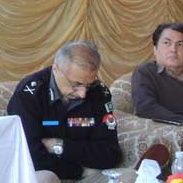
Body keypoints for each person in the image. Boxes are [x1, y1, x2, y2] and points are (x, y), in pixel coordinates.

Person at [7, 41, 123, 183]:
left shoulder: (99, 93)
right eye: (76, 84)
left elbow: (110, 153)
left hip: (87, 172)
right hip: (46, 172)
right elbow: (30, 155)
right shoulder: (29, 94)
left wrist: (59, 145)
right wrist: (76, 170)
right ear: (56, 69)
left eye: (89, 84)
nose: (83, 94)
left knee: (131, 177)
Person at [131, 22, 183, 123]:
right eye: (166, 43)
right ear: (155, 49)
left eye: (180, 44)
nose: (173, 49)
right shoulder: (145, 72)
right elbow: (145, 108)